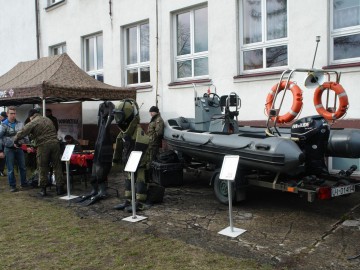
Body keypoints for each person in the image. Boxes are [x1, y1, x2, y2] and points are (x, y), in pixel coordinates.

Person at [13, 109, 65, 196]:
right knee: (57, 166)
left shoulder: (33, 122)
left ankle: (43, 190)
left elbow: (22, 132)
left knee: (42, 167)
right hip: (55, 144)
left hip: (43, 146)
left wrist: (15, 140)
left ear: (31, 116)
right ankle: (59, 188)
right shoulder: (48, 119)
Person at [113, 99, 152, 212]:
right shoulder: (125, 132)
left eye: (119, 116)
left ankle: (140, 202)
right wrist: (117, 160)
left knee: (140, 180)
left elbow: (143, 143)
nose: (118, 119)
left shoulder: (138, 131)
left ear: (127, 115)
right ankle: (128, 200)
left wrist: (138, 162)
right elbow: (119, 143)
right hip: (130, 161)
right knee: (129, 180)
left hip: (140, 163)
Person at [77, 101, 114, 206]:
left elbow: (110, 117)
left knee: (101, 170)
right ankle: (94, 189)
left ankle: (102, 190)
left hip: (104, 148)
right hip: (99, 145)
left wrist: (106, 121)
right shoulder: (101, 113)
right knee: (94, 169)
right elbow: (100, 121)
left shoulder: (110, 110)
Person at [0, 106, 28, 192]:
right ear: (7, 114)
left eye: (14, 113)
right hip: (9, 149)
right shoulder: (3, 125)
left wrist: (23, 143)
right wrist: (0, 150)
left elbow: (25, 135)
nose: (13, 115)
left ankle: (24, 183)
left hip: (19, 148)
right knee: (10, 169)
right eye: (11, 113)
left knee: (23, 167)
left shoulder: (20, 123)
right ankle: (13, 186)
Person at [0, 111, 8, 176]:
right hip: (3, 143)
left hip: (2, 143)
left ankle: (1, 171)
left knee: (2, 157)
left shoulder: (3, 123)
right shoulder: (5, 122)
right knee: (2, 158)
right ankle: (1, 171)